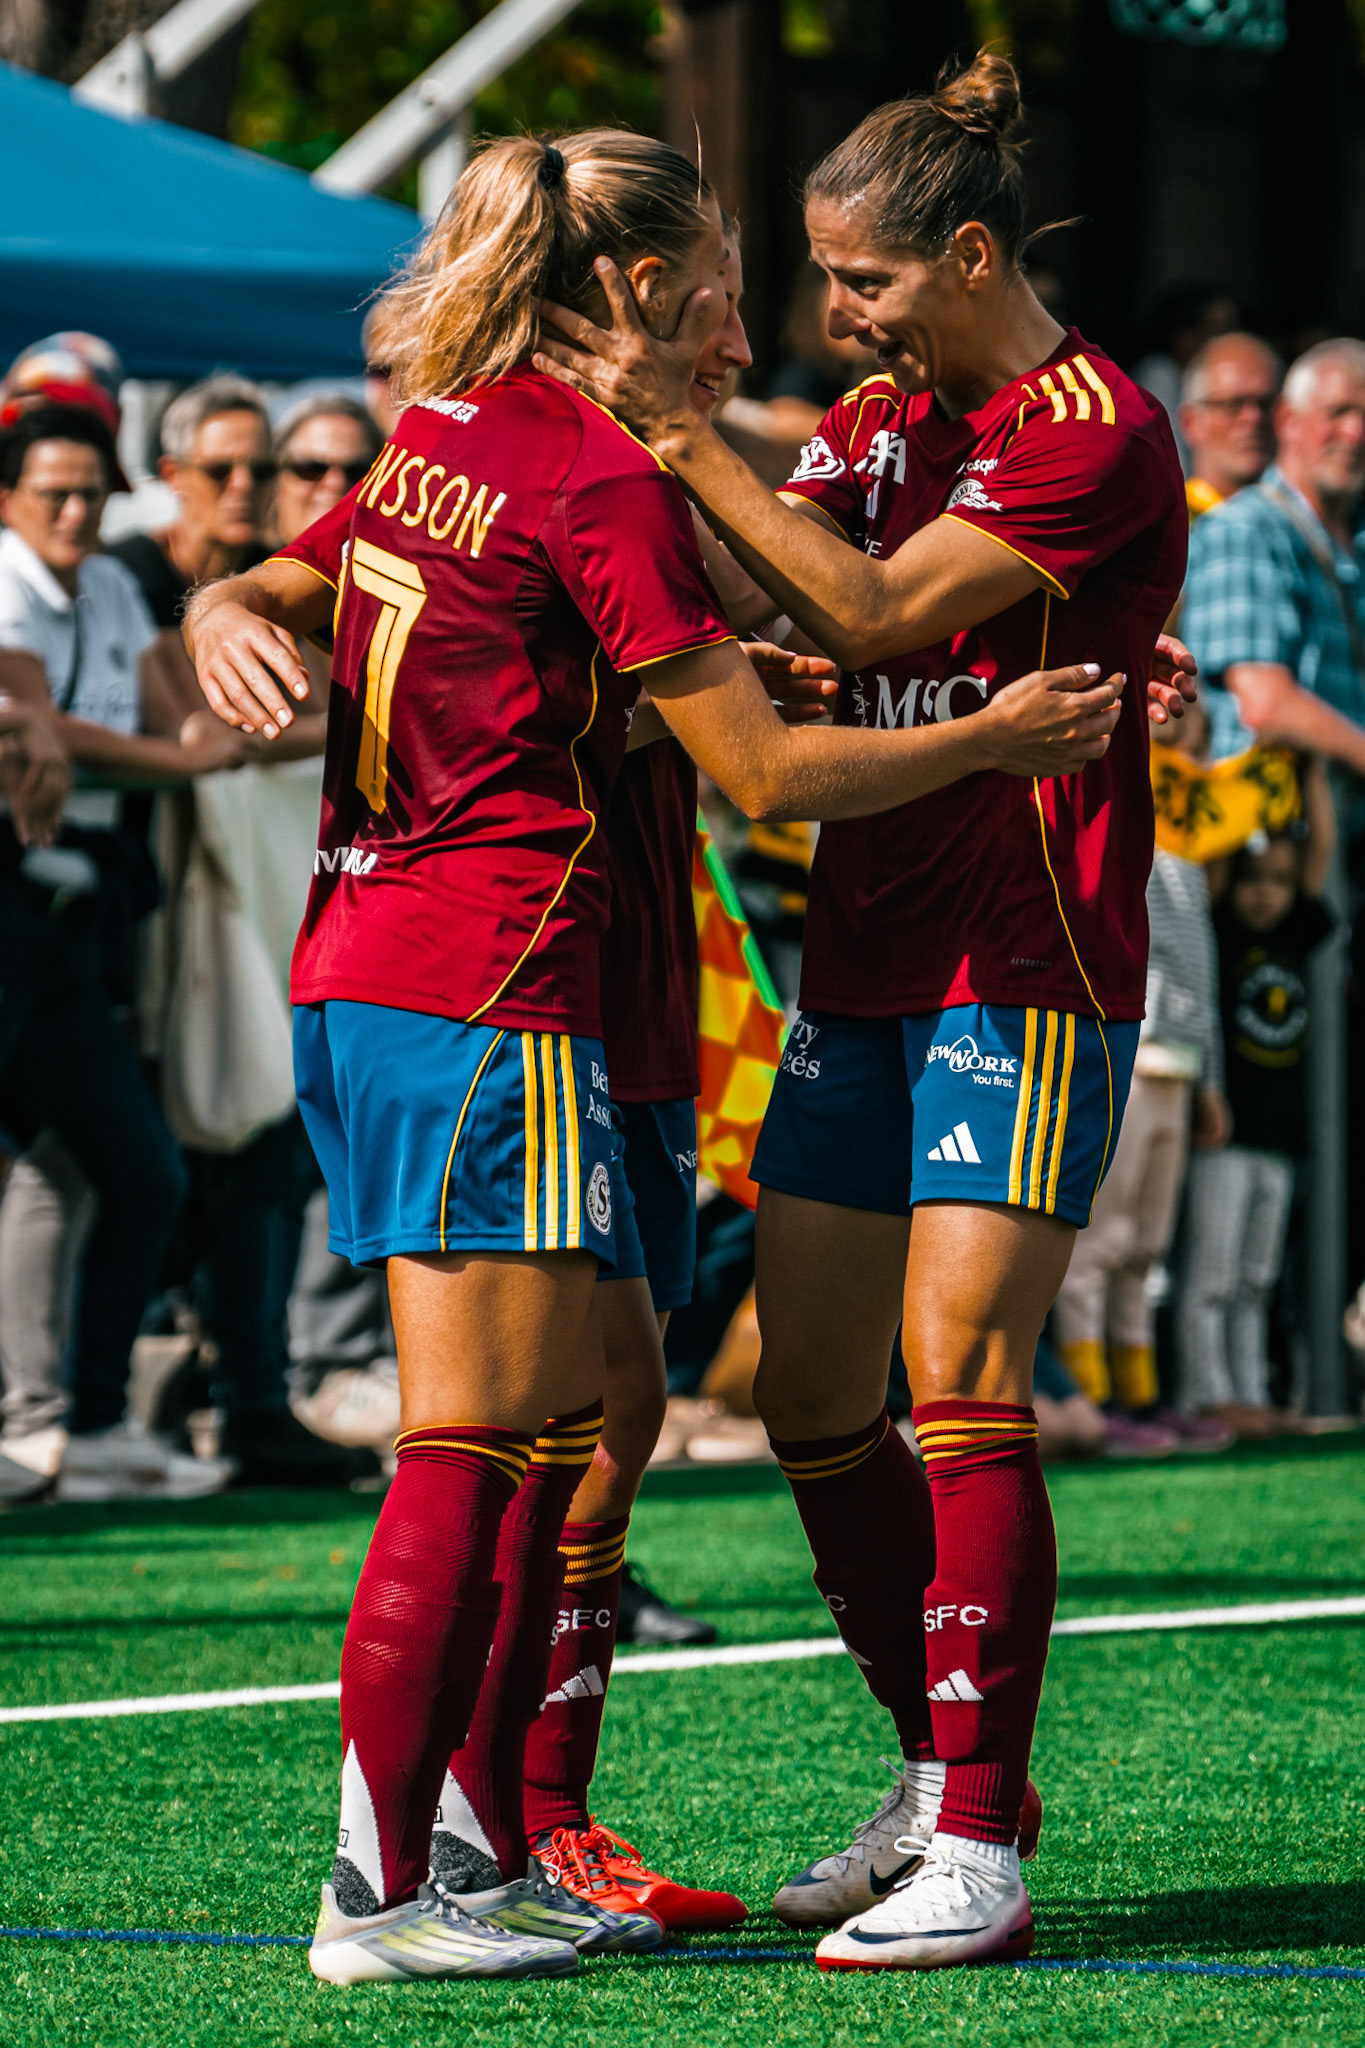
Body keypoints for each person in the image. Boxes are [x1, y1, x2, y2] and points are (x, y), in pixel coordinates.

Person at [185, 127, 1124, 1990]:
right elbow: (770, 762)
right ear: (628, 288)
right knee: (480, 1439)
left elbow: (587, 635)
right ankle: (382, 1890)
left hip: (380, 961)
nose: (761, 309)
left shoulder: (441, 434)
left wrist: (224, 602)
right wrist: (993, 732)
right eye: (722, 273)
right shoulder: (591, 471)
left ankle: (490, 1842)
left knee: (567, 1420)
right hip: (495, 976)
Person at [533, 51, 1189, 1970]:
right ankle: (928, 1766)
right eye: (824, 283)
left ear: (969, 252)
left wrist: (679, 426)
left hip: (1028, 953)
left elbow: (883, 616)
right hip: (868, 953)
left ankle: (984, 1835)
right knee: (818, 1390)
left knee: (962, 1371)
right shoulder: (887, 416)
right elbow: (778, 584)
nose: (836, 320)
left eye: (863, 284)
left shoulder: (1097, 426)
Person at [0, 402, 242, 1500]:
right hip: (23, 903)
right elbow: (34, 726)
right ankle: (65, 1417)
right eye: (50, 488)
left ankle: (60, 1421)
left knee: (80, 1163)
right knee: (132, 1164)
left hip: (76, 914)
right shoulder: (7, 578)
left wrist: (150, 749)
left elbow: (186, 716)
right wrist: (166, 755)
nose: (72, 507)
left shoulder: (102, 581)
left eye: (90, 490)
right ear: (7, 498)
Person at [1052, 703, 1234, 1455]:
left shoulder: (1193, 859)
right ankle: (1090, 1399)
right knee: (1101, 1238)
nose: (1187, 761)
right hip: (1126, 1052)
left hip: (1180, 1070)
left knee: (1145, 1244)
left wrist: (1211, 1080)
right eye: (1173, 745)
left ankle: (1139, 1397)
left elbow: (1204, 973)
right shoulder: (1118, 831)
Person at [1176, 765, 1335, 1434]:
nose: (1265, 896)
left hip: (1279, 1136)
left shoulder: (1294, 931)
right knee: (1210, 1273)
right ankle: (1202, 1396)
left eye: (1276, 882)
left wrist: (1314, 776)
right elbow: (1211, 853)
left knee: (1254, 1279)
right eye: (1252, 881)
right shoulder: (1220, 931)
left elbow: (1317, 855)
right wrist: (1239, 782)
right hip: (1225, 1133)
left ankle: (1247, 1395)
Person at [1181, 340, 1365, 778]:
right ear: (1289, 421)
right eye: (1338, 412)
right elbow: (1263, 704)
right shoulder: (1245, 527)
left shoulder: (1355, 540)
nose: (1355, 433)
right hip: (1275, 833)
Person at [1178, 333, 1282, 523]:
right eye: (1232, 405)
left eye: (1266, 404)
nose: (1254, 417)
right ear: (1190, 422)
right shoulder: (1172, 527)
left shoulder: (1307, 524)